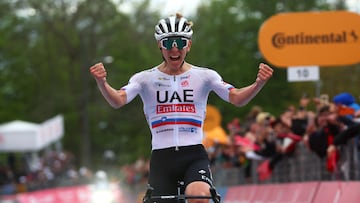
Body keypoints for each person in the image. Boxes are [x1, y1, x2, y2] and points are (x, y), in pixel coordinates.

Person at [90, 13, 273, 203]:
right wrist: (102, 83)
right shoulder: (144, 79)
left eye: (180, 42)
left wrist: (258, 84)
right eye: (168, 43)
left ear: (189, 45)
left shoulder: (205, 76)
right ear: (160, 46)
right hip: (162, 159)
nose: (174, 49)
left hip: (193, 155)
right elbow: (118, 100)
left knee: (199, 196)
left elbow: (236, 98)